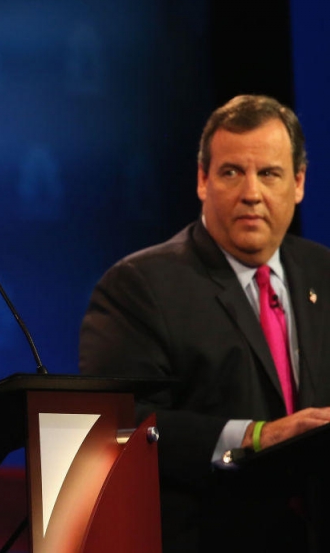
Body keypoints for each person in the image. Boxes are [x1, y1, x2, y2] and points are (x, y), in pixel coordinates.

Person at [79, 94, 330, 551]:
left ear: (298, 183)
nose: (251, 193)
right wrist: (255, 436)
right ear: (202, 180)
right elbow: (115, 427)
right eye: (232, 172)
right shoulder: (140, 285)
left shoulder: (323, 272)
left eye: (269, 174)